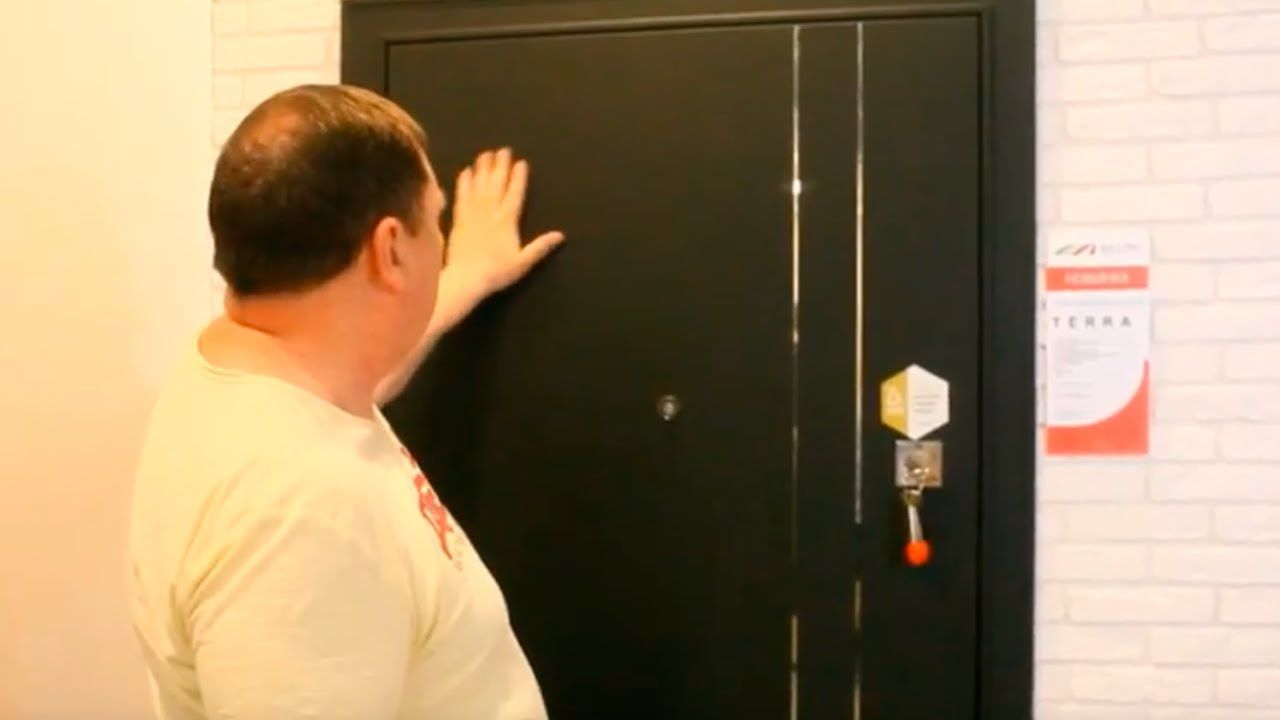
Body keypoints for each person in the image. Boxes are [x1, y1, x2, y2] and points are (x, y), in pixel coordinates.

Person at [128, 83, 564, 719]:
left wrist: (464, 276)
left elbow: (354, 380)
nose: (441, 239)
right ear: (390, 251)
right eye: (434, 221)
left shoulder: (244, 367)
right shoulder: (298, 516)